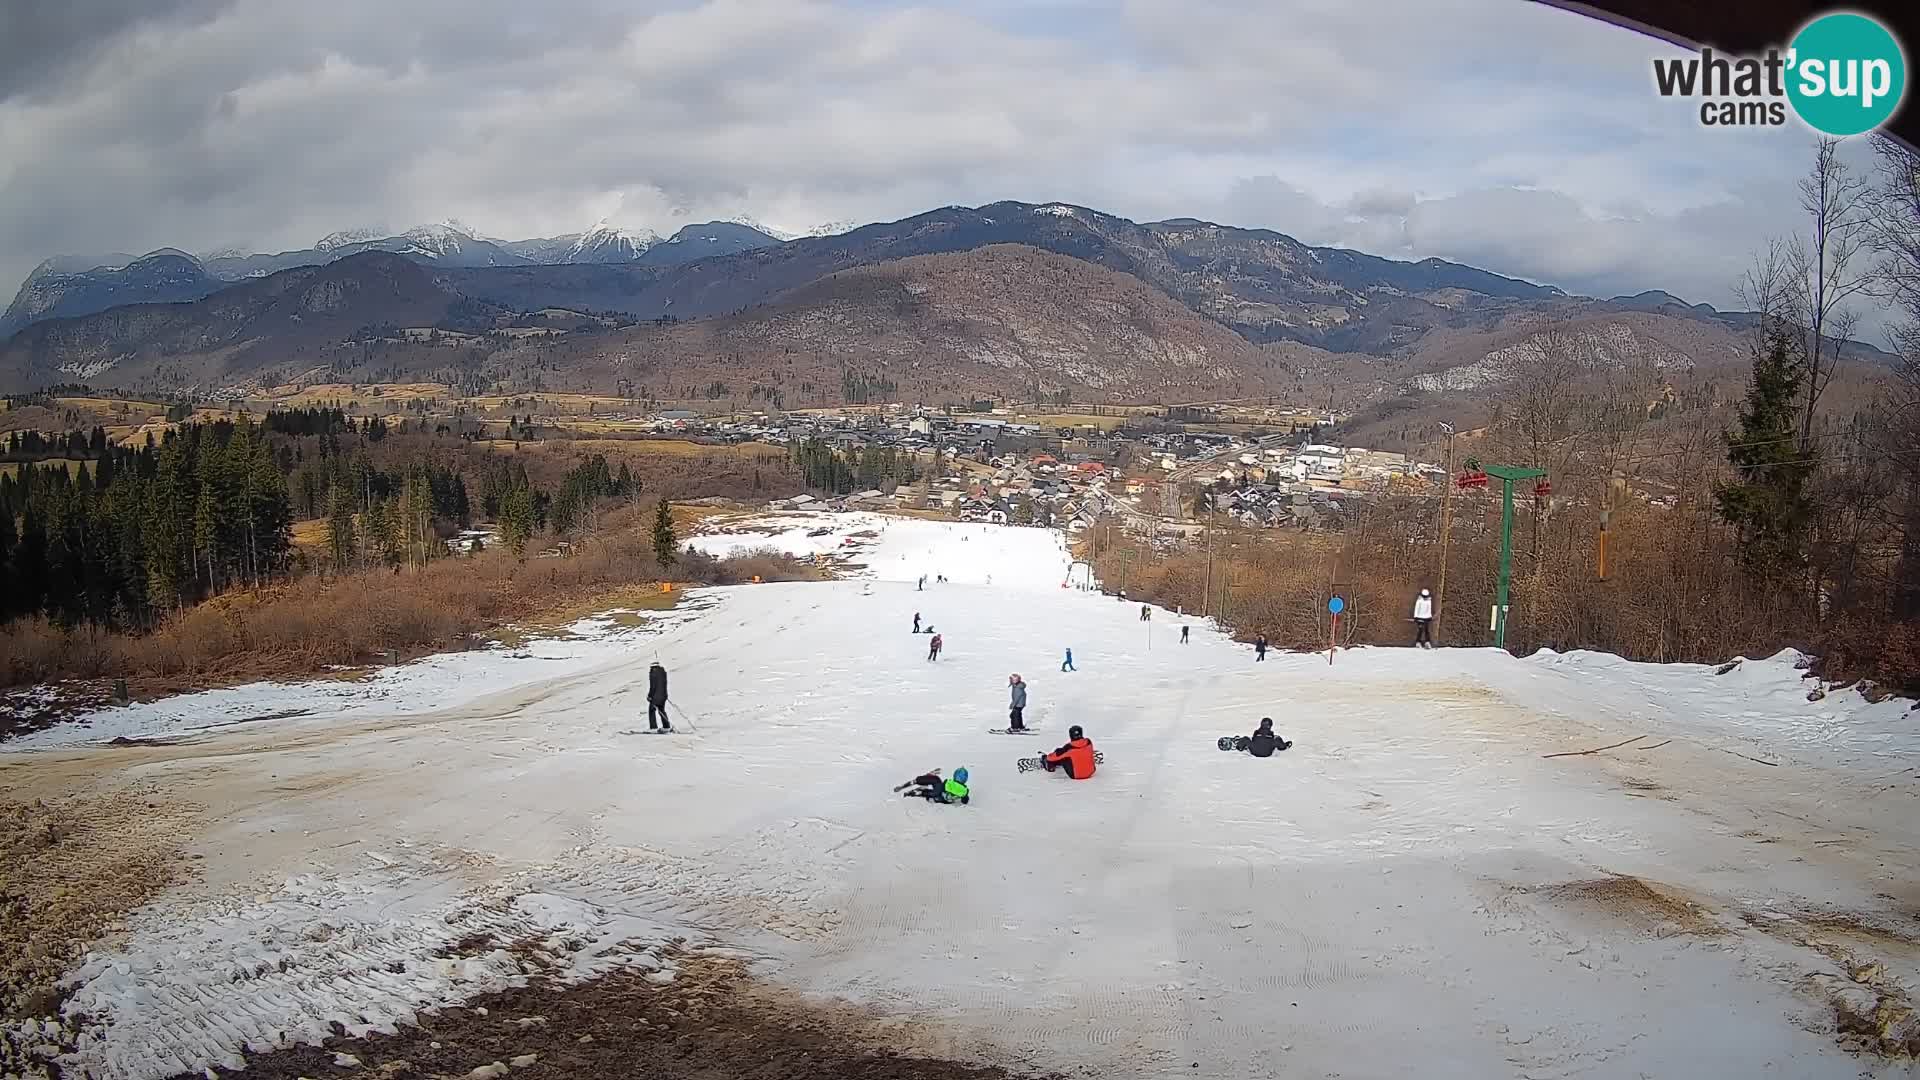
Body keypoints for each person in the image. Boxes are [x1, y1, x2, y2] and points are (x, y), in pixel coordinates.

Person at [897, 767, 970, 804]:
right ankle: (920, 790)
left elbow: (943, 785)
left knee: (936, 782)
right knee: (934, 790)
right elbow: (965, 801)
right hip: (938, 796)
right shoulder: (964, 790)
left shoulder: (951, 783)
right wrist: (964, 796)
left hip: (938, 795)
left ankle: (918, 782)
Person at [646, 661, 672, 732]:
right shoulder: (663, 673)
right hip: (663, 696)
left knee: (651, 710)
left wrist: (650, 695)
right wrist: (664, 695)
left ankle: (653, 728)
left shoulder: (653, 673)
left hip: (655, 696)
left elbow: (653, 686)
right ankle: (666, 726)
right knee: (661, 710)